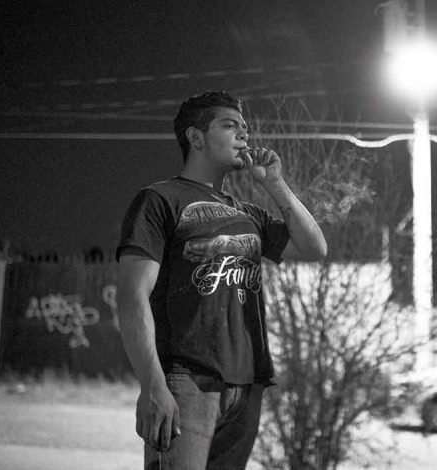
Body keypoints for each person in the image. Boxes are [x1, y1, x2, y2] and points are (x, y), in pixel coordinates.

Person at [116, 90, 327, 470]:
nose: (244, 134)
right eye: (230, 126)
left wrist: (275, 184)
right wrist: (152, 384)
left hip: (247, 384)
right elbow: (132, 296)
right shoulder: (159, 200)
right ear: (196, 137)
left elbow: (314, 248)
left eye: (245, 127)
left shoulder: (249, 214)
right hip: (187, 380)